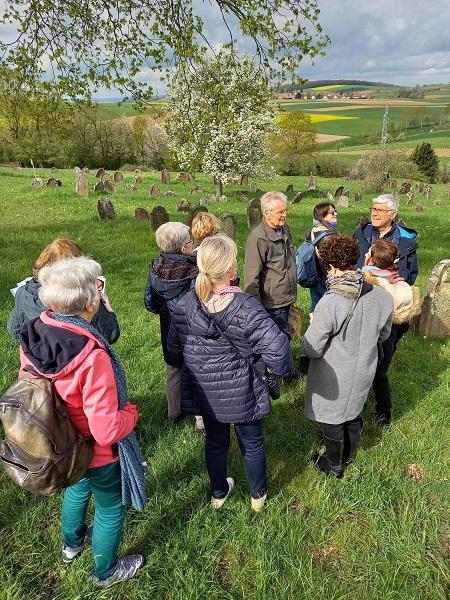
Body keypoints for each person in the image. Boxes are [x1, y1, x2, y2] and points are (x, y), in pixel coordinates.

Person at [19, 257, 145, 586]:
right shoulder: (93, 356)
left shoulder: (34, 335)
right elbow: (105, 430)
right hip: (96, 450)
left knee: (76, 490)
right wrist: (130, 414)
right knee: (111, 507)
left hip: (60, 441)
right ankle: (106, 571)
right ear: (90, 302)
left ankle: (71, 545)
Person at [167, 234, 292, 511]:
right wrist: (269, 369)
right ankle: (258, 498)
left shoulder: (185, 305)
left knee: (215, 442)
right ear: (232, 268)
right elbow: (280, 353)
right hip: (243, 390)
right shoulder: (246, 306)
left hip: (205, 392)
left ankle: (218, 494)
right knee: (252, 443)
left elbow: (173, 352)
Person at [301, 235, 393, 478]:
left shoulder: (329, 302)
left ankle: (333, 466)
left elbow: (312, 348)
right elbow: (383, 335)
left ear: (330, 267)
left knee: (333, 419)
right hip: (364, 368)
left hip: (334, 375)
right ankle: (349, 456)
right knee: (353, 412)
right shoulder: (382, 297)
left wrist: (312, 328)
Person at [144, 222, 204, 431]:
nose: (192, 244)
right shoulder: (195, 270)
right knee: (197, 371)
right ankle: (201, 420)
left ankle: (174, 412)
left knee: (173, 369)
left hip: (169, 327)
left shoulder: (154, 268)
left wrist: (165, 309)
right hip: (194, 330)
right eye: (190, 241)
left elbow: (150, 302)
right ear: (182, 248)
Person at [7, 239, 120, 344]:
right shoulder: (80, 297)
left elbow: (14, 329)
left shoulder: (22, 292)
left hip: (38, 358)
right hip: (80, 360)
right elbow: (109, 335)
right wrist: (108, 311)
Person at [362, 239, 421, 425]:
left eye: (368, 253)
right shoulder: (401, 283)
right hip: (396, 329)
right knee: (382, 371)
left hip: (378, 332)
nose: (364, 255)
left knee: (372, 372)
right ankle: (384, 412)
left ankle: (379, 413)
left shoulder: (371, 281)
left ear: (371, 260)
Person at [244, 191, 297, 350]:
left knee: (284, 335)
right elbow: (251, 278)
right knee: (275, 340)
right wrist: (255, 309)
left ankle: (283, 368)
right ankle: (276, 372)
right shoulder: (258, 238)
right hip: (272, 302)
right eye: (280, 212)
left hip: (286, 296)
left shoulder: (284, 229)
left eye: (285, 210)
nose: (284, 215)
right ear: (267, 214)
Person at [353, 194, 418, 284]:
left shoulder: (406, 240)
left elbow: (410, 274)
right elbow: (350, 262)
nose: (374, 214)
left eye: (379, 210)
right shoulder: (361, 233)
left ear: (393, 214)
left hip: (391, 291)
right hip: (360, 286)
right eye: (373, 209)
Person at [304, 202, 338, 312]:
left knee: (316, 306)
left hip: (313, 274)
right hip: (326, 278)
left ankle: (314, 326)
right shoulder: (329, 236)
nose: (335, 215)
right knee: (330, 310)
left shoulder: (312, 230)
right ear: (322, 216)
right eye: (332, 213)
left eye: (335, 212)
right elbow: (334, 260)